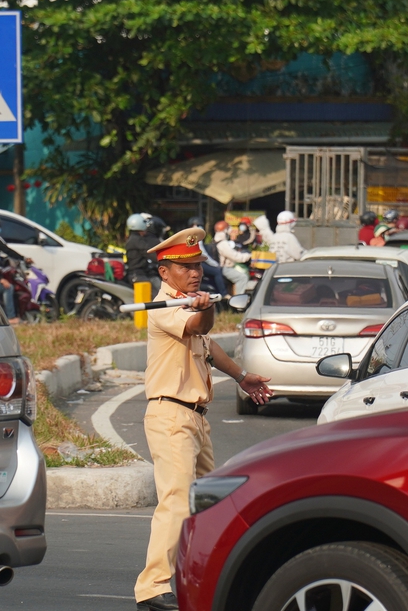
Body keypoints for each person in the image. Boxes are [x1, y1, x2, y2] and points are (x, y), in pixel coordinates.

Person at [133, 227, 273, 611]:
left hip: (196, 418)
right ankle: (152, 587)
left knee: (211, 505)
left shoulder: (185, 303)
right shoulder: (165, 308)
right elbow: (200, 326)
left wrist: (242, 377)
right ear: (165, 272)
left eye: (198, 266)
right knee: (177, 501)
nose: (195, 273)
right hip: (170, 415)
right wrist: (206, 307)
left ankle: (203, 578)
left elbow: (208, 347)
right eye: (186, 267)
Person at [188, 216, 227, 297]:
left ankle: (216, 292)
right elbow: (203, 254)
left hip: (194, 262)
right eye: (198, 225)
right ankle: (223, 294)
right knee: (217, 271)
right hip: (196, 262)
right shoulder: (195, 237)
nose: (200, 227)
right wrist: (215, 264)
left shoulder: (191, 236)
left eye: (200, 225)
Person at [126, 213, 161, 295]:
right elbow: (149, 252)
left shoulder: (134, 239)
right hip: (138, 275)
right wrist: (164, 259)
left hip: (142, 273)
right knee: (156, 295)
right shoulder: (136, 240)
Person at [214, 221, 251, 295]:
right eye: (228, 229)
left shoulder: (216, 241)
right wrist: (248, 256)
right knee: (242, 278)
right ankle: (239, 299)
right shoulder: (223, 243)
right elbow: (235, 257)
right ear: (225, 230)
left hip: (221, 267)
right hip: (225, 268)